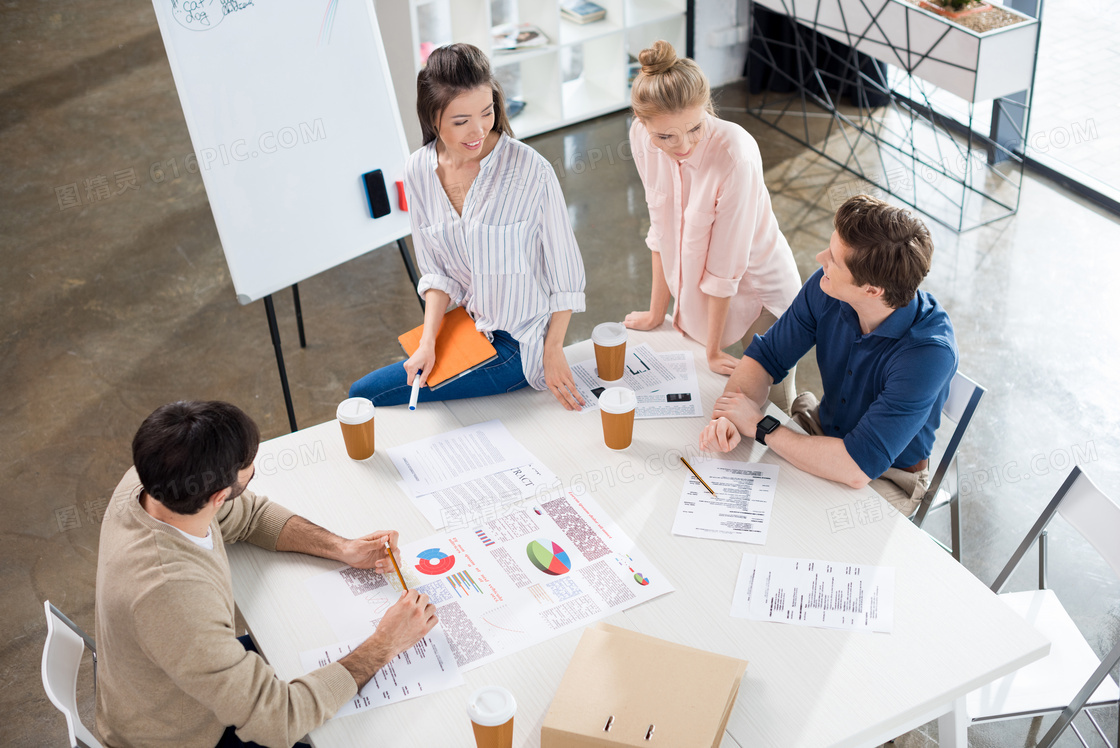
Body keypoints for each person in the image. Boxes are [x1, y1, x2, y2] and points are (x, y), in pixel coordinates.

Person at [95, 401, 438, 748]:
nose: (253, 469)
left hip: (178, 682)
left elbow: (252, 517)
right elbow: (279, 720)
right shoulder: (172, 597)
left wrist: (342, 547)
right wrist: (386, 643)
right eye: (248, 473)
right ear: (218, 497)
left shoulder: (151, 482)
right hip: (183, 735)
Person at [349, 44, 587, 410]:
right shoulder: (418, 172)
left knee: (368, 395)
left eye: (487, 112)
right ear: (433, 120)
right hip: (467, 327)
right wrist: (428, 343)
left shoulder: (531, 171)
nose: (477, 130)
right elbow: (437, 275)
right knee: (370, 391)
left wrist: (551, 350)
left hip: (519, 344)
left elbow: (566, 278)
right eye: (461, 121)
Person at [699, 195, 958, 515]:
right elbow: (766, 357)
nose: (821, 258)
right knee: (744, 497)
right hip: (823, 430)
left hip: (887, 475)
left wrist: (760, 426)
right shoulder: (828, 287)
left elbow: (856, 468)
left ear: (872, 290)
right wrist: (731, 416)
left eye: (834, 258)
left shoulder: (928, 354)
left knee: (798, 525)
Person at [623, 40, 802, 405]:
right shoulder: (642, 139)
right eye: (665, 136)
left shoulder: (735, 155)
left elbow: (726, 267)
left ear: (706, 108)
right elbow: (660, 231)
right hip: (706, 294)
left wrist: (714, 349)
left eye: (694, 128)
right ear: (642, 123)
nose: (683, 145)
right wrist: (658, 312)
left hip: (759, 293)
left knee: (771, 405)